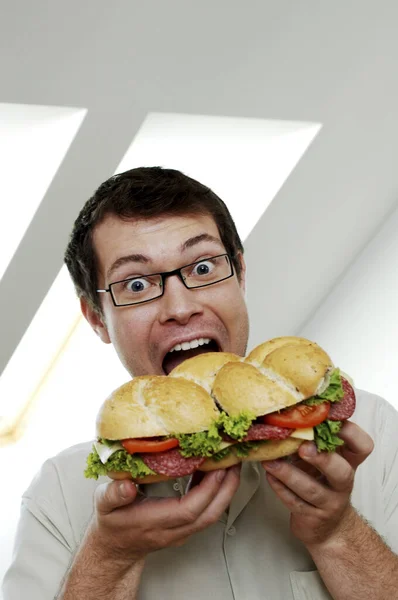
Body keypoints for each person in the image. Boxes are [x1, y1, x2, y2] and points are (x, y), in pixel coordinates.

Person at [2, 167, 398, 600]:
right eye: (136, 284)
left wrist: (337, 534)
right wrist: (110, 558)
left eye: (204, 266)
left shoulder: (374, 429)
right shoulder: (58, 495)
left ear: (240, 274)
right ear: (97, 319)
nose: (180, 306)